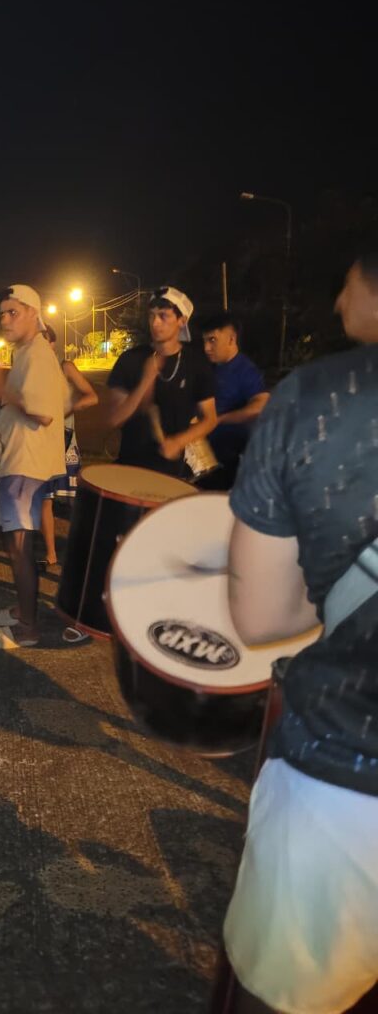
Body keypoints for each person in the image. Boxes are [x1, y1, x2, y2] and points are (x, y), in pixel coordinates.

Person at [221, 246, 378, 1013]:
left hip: (342, 784)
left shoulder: (321, 396)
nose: (339, 301)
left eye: (347, 283)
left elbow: (260, 618)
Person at [0, 285, 67, 648]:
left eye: (13, 312)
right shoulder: (27, 352)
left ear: (33, 312)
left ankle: (28, 627)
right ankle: (22, 610)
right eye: (2, 313)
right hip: (19, 461)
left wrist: (2, 389)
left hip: (25, 466)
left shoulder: (37, 354)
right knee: (14, 545)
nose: (5, 319)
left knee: (19, 548)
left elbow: (42, 412)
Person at [107, 286, 217, 477]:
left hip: (171, 473)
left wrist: (179, 441)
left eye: (163, 316)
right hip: (130, 468)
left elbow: (209, 419)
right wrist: (145, 382)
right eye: (152, 315)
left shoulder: (196, 364)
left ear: (182, 320)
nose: (155, 322)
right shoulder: (130, 360)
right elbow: (114, 419)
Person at [38, 325, 98, 572]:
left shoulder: (65, 367)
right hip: (40, 440)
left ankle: (84, 549)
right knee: (45, 499)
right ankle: (51, 554)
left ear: (53, 344)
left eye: (44, 340)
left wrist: (68, 410)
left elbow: (91, 396)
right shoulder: (31, 370)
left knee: (73, 499)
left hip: (64, 439)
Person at [199, 311, 269, 488]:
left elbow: (261, 405)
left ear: (231, 339)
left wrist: (218, 419)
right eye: (204, 341)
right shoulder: (209, 368)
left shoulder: (245, 370)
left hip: (230, 461)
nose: (206, 348)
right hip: (203, 458)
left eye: (212, 340)